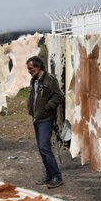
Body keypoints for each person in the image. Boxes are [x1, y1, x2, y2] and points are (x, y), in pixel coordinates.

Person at [26, 56, 64, 188]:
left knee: (44, 147)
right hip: (37, 118)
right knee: (42, 149)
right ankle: (49, 175)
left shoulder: (50, 79)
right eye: (28, 69)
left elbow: (59, 96)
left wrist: (47, 108)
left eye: (31, 68)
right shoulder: (34, 80)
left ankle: (57, 177)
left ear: (38, 66)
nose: (29, 71)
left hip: (46, 119)